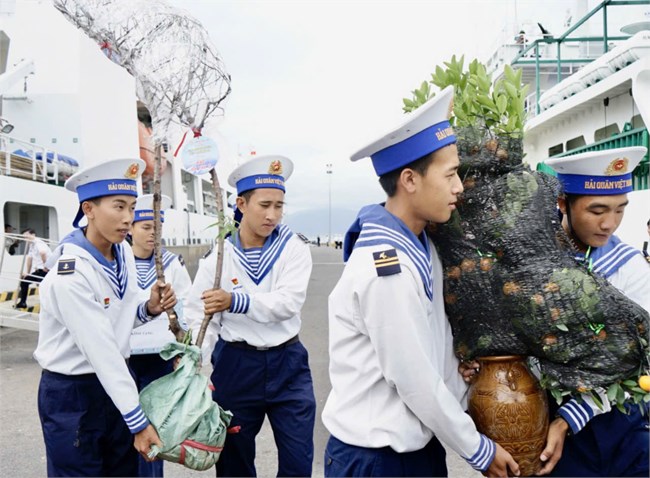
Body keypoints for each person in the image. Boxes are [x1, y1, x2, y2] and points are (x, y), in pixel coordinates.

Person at [321, 86, 519, 478]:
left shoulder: (421, 243)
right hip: (376, 459)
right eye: (449, 175)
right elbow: (413, 379)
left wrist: (459, 379)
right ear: (409, 180)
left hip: (416, 453)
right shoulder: (385, 270)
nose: (459, 187)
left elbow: (431, 345)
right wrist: (478, 450)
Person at [33, 158, 178, 477]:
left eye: (130, 207)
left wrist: (148, 307)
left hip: (114, 386)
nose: (128, 218)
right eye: (118, 207)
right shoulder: (70, 273)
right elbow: (102, 350)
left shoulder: (121, 252)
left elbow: (117, 316)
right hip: (74, 394)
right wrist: (139, 423)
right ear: (88, 209)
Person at [186, 155, 316, 477]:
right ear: (242, 204)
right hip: (237, 366)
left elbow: (287, 303)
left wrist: (234, 300)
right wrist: (193, 367)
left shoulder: (293, 249)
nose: (273, 215)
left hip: (288, 364)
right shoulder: (219, 256)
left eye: (279, 206)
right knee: (234, 464)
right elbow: (199, 315)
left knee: (298, 462)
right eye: (265, 205)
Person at [537, 147, 650, 477]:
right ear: (562, 204)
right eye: (598, 210)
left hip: (625, 427)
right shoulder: (535, 267)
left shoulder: (629, 269)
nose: (609, 223)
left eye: (619, 210)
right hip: (556, 437)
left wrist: (569, 418)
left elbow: (632, 360)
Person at [129, 193, 192, 478]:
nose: (153, 234)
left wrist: (183, 351)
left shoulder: (172, 264)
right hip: (125, 358)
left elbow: (187, 310)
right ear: (130, 228)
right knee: (122, 434)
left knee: (155, 434)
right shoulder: (119, 261)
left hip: (159, 359)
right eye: (145, 227)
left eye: (158, 228)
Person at [16, 228, 52, 309]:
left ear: (33, 235)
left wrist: (45, 266)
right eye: (24, 237)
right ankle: (22, 302)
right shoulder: (31, 245)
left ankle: (48, 307)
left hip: (45, 270)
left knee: (43, 288)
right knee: (24, 281)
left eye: (27, 236)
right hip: (39, 271)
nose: (25, 239)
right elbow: (29, 259)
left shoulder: (38, 242)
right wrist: (27, 273)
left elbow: (43, 253)